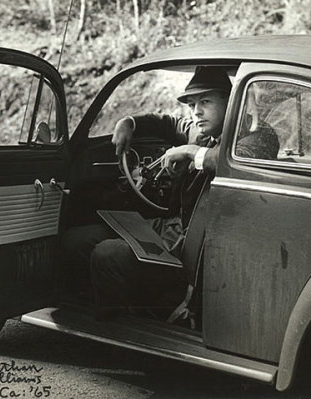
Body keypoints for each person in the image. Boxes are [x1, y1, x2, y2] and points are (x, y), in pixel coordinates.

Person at [61, 66, 279, 321]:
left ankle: (120, 335)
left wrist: (189, 153)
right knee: (76, 239)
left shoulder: (258, 137)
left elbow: (234, 161)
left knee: (109, 253)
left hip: (202, 250)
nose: (196, 110)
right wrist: (129, 122)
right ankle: (83, 316)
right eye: (192, 104)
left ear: (230, 103)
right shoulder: (201, 132)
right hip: (172, 230)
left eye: (205, 101)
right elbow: (166, 123)